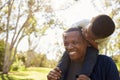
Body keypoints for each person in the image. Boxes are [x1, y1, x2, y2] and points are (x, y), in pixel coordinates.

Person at [56, 14, 116, 79]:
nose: (87, 35)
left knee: (92, 54)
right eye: (87, 31)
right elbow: (67, 34)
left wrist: (89, 39)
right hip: (78, 41)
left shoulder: (105, 40)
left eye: (91, 37)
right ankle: (58, 72)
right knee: (68, 52)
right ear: (92, 20)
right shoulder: (83, 22)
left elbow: (97, 49)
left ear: (101, 38)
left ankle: (84, 74)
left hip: (93, 46)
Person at [47, 27, 120, 80]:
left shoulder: (106, 63)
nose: (69, 47)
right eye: (66, 43)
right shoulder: (63, 66)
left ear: (88, 43)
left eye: (74, 43)